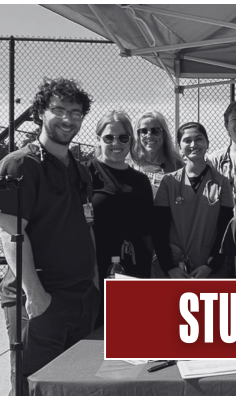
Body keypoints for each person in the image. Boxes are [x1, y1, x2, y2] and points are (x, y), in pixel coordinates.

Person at [0, 78, 99, 395]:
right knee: (33, 386)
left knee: (73, 385)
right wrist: (34, 293)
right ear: (40, 113)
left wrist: (92, 282)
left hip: (80, 298)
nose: (68, 119)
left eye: (76, 112)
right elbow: (10, 232)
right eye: (59, 110)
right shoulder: (18, 164)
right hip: (41, 300)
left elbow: (83, 225)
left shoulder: (77, 167)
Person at [86, 110, 155, 328]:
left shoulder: (141, 180)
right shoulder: (85, 173)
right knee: (94, 338)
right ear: (98, 139)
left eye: (123, 137)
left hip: (133, 268)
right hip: (96, 268)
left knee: (129, 334)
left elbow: (148, 229)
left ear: (130, 141)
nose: (116, 143)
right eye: (109, 137)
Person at [154, 122, 234, 278]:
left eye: (199, 139)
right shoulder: (169, 182)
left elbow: (226, 229)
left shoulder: (222, 183)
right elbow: (159, 230)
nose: (193, 144)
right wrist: (170, 267)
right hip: (175, 267)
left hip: (208, 268)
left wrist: (211, 265)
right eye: (187, 140)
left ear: (207, 143)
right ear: (179, 146)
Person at [128, 111, 183, 197]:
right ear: (138, 135)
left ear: (164, 134)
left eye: (155, 131)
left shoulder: (177, 164)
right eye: (144, 131)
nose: (149, 135)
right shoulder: (131, 164)